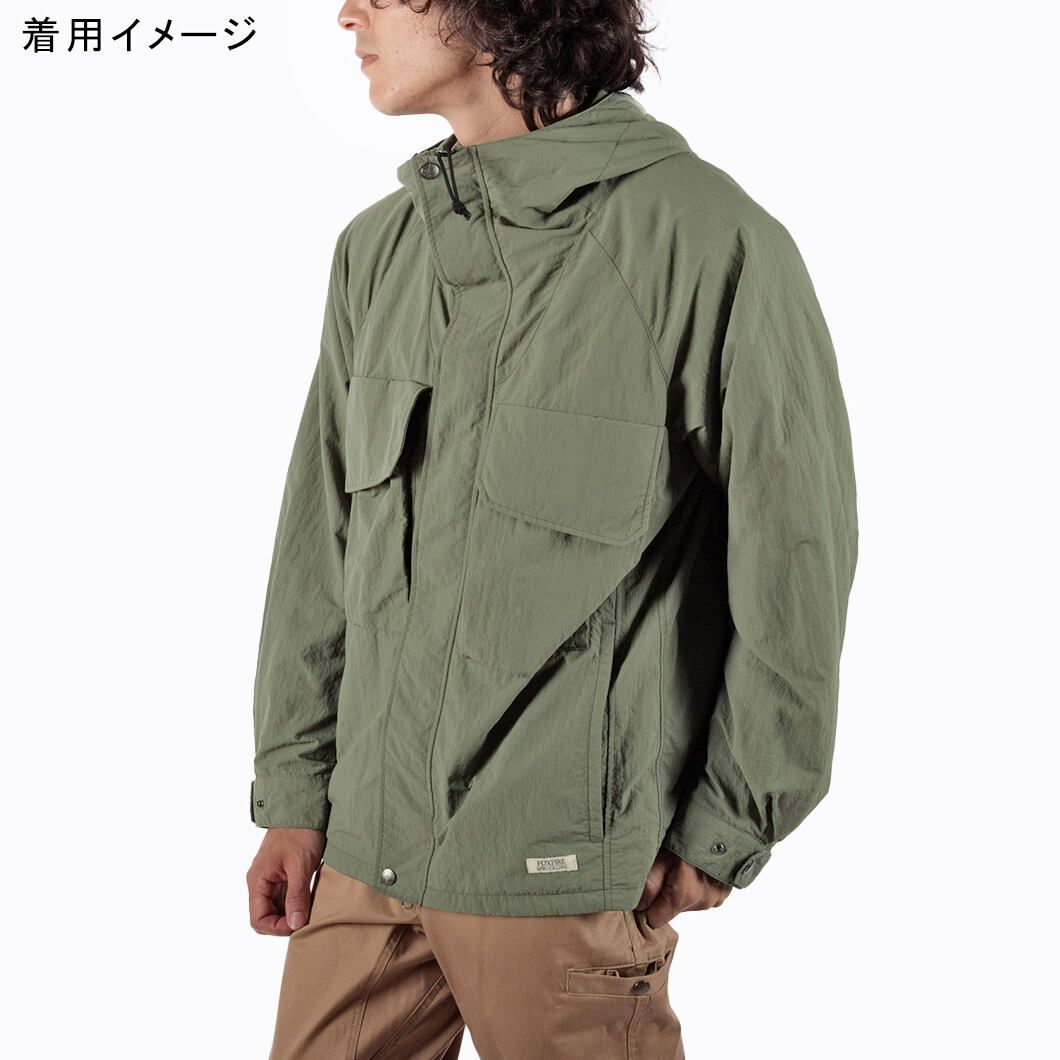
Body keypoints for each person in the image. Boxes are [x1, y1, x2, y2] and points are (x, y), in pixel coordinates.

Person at [245, 1, 859, 1056]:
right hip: (363, 856)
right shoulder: (380, 250)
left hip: (560, 871)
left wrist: (731, 820)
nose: (347, 13)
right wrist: (296, 795)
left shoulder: (706, 241)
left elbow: (795, 561)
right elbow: (318, 545)